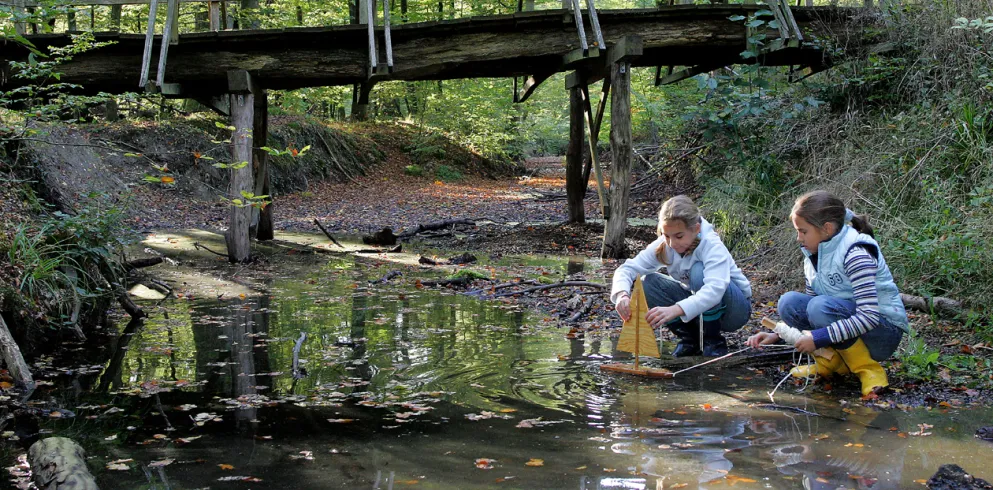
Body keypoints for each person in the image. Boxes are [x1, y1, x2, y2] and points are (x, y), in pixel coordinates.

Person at [747, 190, 909, 396]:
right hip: (849, 322)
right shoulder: (813, 254)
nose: (799, 238)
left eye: (803, 231)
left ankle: (868, 370)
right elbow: (810, 311)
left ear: (827, 228)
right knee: (789, 303)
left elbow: (869, 316)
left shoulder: (856, 253)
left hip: (882, 333)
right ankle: (830, 362)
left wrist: (819, 337)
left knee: (819, 307)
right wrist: (778, 335)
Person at [611, 195, 752, 357]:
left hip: (734, 311)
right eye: (666, 236)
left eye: (679, 236)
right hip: (699, 310)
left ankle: (713, 342)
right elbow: (627, 269)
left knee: (698, 271)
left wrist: (676, 309)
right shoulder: (664, 246)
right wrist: (622, 294)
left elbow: (715, 290)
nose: (672, 243)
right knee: (648, 282)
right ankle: (691, 340)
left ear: (696, 229)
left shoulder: (711, 244)